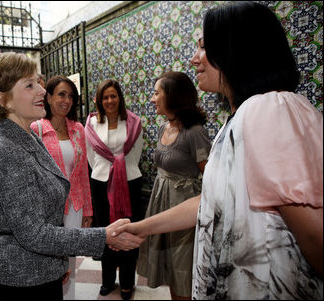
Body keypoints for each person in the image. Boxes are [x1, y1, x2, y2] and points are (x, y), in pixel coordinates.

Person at [113, 2, 323, 300]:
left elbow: (316, 235)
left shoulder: (268, 111)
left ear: (235, 49)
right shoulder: (241, 117)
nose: (194, 58)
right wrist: (142, 228)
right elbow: (212, 201)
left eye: (203, 47)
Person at [0, 52, 142, 300]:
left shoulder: (25, 136)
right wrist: (102, 236)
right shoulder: (8, 151)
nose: (42, 91)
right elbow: (34, 233)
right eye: (29, 85)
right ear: (4, 100)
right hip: (22, 276)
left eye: (38, 82)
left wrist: (57, 262)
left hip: (41, 269)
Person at [138, 71, 211, 300]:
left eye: (156, 93)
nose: (152, 99)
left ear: (173, 96)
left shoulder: (194, 132)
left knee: (182, 267)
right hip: (161, 203)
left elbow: (209, 176)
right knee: (169, 266)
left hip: (183, 207)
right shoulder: (164, 128)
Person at [30, 75, 93, 300]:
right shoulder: (36, 129)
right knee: (49, 260)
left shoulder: (78, 129)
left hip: (75, 205)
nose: (66, 100)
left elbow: (84, 172)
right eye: (60, 94)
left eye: (70, 96)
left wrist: (88, 209)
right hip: (48, 209)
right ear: (48, 97)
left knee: (69, 261)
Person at [85, 79, 144, 300]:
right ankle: (108, 280)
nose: (109, 101)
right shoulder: (91, 124)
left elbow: (135, 154)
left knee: (128, 230)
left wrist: (120, 170)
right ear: (99, 101)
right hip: (100, 182)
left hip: (129, 180)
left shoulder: (134, 122)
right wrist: (107, 169)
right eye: (105, 97)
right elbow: (92, 156)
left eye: (113, 96)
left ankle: (128, 282)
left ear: (120, 98)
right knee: (105, 232)